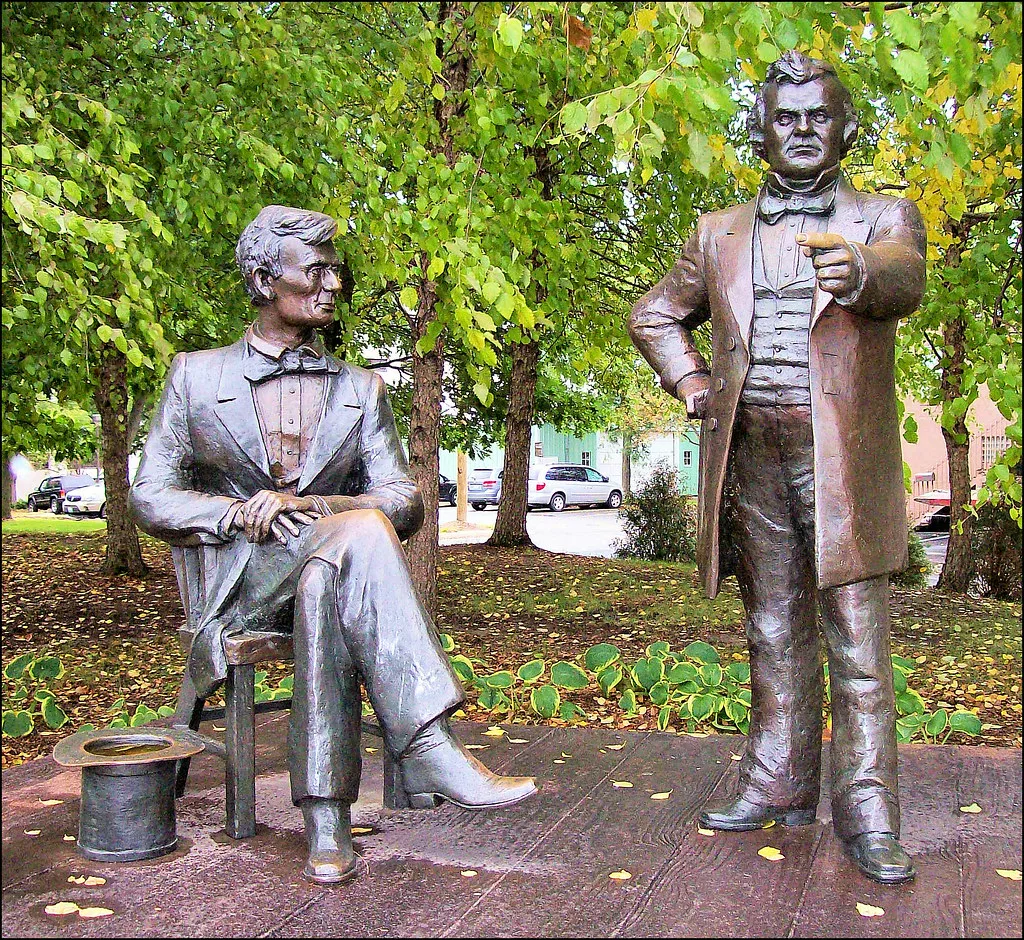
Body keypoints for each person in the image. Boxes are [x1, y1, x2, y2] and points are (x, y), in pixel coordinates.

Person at [131, 205, 536, 885]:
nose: (332, 285)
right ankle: (427, 746)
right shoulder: (196, 377)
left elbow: (402, 497)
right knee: (357, 536)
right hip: (242, 584)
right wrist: (236, 514)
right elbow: (150, 495)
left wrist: (315, 506)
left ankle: (328, 825)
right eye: (313, 271)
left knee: (334, 566)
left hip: (328, 574)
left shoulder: (360, 389)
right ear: (265, 281)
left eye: (335, 271)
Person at [628, 51, 926, 884]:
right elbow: (654, 314)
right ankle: (778, 781)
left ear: (846, 129)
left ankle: (867, 816)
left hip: (840, 463)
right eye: (784, 117)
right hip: (751, 453)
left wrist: (861, 272)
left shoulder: (880, 217)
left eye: (818, 116)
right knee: (771, 625)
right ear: (759, 133)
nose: (801, 130)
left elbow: (907, 276)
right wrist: (691, 384)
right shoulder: (718, 230)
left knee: (857, 639)